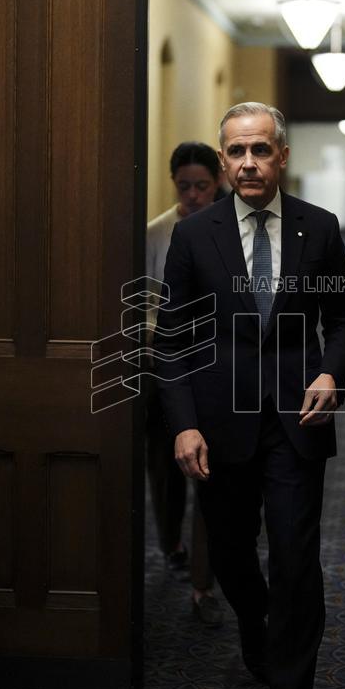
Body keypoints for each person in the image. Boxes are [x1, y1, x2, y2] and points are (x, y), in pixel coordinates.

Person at [154, 102, 345, 689]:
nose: (249, 163)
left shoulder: (317, 228)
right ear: (223, 161)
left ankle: (291, 683)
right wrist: (183, 426)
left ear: (282, 156)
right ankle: (253, 620)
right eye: (237, 152)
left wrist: (332, 374)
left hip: (299, 417)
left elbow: (343, 321)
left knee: (296, 557)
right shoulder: (195, 235)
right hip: (220, 424)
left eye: (260, 150)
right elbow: (171, 340)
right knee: (233, 556)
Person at [145, 141, 225, 628]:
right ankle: (170, 540)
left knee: (211, 470)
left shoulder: (230, 228)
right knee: (164, 461)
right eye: (184, 187)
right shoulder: (157, 231)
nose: (193, 195)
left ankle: (204, 575)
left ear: (217, 182)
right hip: (165, 356)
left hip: (215, 361)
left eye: (202, 186)